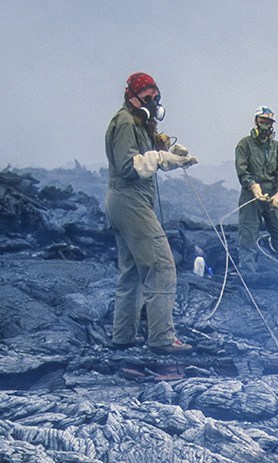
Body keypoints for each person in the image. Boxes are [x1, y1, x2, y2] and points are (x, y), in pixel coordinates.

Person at [105, 72, 198, 351]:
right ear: (131, 96)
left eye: (156, 97)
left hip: (127, 203)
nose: (154, 101)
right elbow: (126, 165)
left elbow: (148, 147)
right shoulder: (124, 122)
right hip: (129, 200)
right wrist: (160, 158)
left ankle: (122, 338)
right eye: (148, 97)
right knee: (161, 267)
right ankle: (161, 339)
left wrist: (168, 149)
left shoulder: (139, 121)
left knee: (132, 272)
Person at [235, 106, 278, 275]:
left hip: (272, 195)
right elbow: (242, 170)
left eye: (268, 123)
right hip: (251, 195)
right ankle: (248, 275)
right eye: (262, 122)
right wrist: (253, 186)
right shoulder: (244, 144)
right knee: (248, 235)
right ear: (256, 121)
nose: (265, 126)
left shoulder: (276, 147)